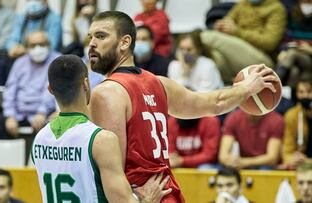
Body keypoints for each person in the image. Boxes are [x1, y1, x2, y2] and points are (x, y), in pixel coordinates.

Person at [87, 11, 278, 202]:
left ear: (125, 42)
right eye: (90, 37)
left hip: (141, 196)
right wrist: (246, 88)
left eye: (101, 36)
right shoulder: (159, 83)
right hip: (168, 193)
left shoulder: (107, 92)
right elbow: (214, 103)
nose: (92, 44)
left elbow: (113, 177)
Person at [31, 54, 171, 203]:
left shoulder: (40, 138)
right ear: (86, 84)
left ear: (50, 89)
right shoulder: (100, 139)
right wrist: (146, 199)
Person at [0, 31, 58, 139]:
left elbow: (54, 90)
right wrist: (10, 115)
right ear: (27, 47)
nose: (37, 48)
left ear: (48, 45)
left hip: (45, 115)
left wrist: (42, 112)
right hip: (19, 114)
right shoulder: (20, 62)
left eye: (42, 44)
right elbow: (10, 90)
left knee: (52, 128)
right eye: (33, 45)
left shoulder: (57, 61)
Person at [202, 0, 287, 84]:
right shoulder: (244, 4)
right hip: (238, 51)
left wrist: (237, 32)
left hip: (261, 58)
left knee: (207, 37)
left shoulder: (276, 8)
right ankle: (231, 85)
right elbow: (229, 21)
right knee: (215, 56)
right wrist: (221, 27)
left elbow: (270, 42)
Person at [219, 109, 284, 170]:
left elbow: (272, 158)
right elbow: (223, 156)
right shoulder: (233, 117)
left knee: (265, 169)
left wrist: (244, 162)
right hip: (242, 162)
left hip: (263, 165)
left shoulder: (276, 120)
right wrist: (231, 162)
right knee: (226, 171)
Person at [276, 0, 312, 87]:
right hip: (294, 51)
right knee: (294, 71)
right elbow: (286, 37)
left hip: (309, 58)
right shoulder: (293, 11)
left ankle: (274, 81)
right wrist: (283, 50)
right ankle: (284, 96)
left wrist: (310, 49)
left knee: (292, 54)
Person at [283, 75, 312, 169]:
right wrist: (291, 160)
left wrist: (308, 161)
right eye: (301, 92)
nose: (305, 96)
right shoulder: (291, 115)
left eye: (309, 91)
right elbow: (287, 151)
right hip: (301, 166)